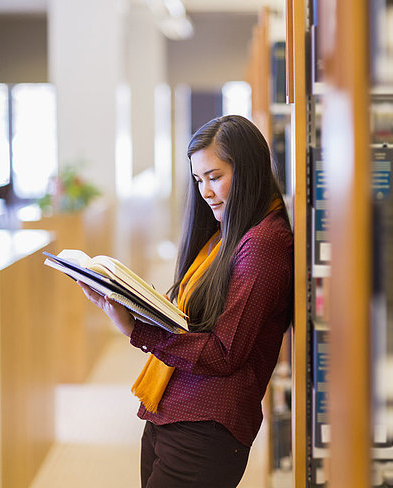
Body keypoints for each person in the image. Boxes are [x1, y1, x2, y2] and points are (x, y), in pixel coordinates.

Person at [79, 114, 294, 488]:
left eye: (215, 176)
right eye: (198, 180)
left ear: (249, 169)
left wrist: (136, 328)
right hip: (172, 406)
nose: (206, 192)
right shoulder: (225, 236)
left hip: (208, 425)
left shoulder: (263, 244)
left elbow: (225, 353)